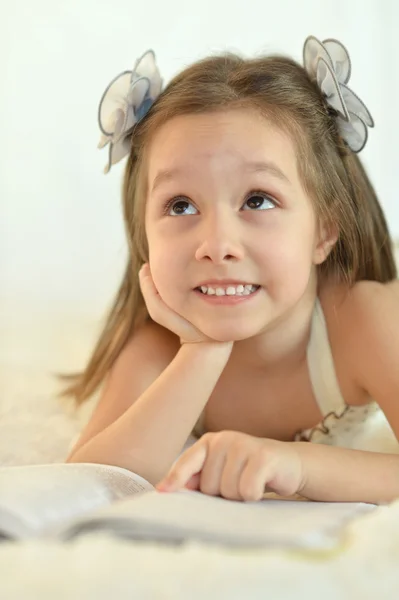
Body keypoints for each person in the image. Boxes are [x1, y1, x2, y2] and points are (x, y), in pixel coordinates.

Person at [64, 36, 399, 504]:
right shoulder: (157, 347)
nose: (217, 246)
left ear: (324, 231)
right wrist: (201, 351)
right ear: (145, 237)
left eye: (257, 200)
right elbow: (94, 481)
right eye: (180, 205)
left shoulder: (363, 318)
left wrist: (296, 467)